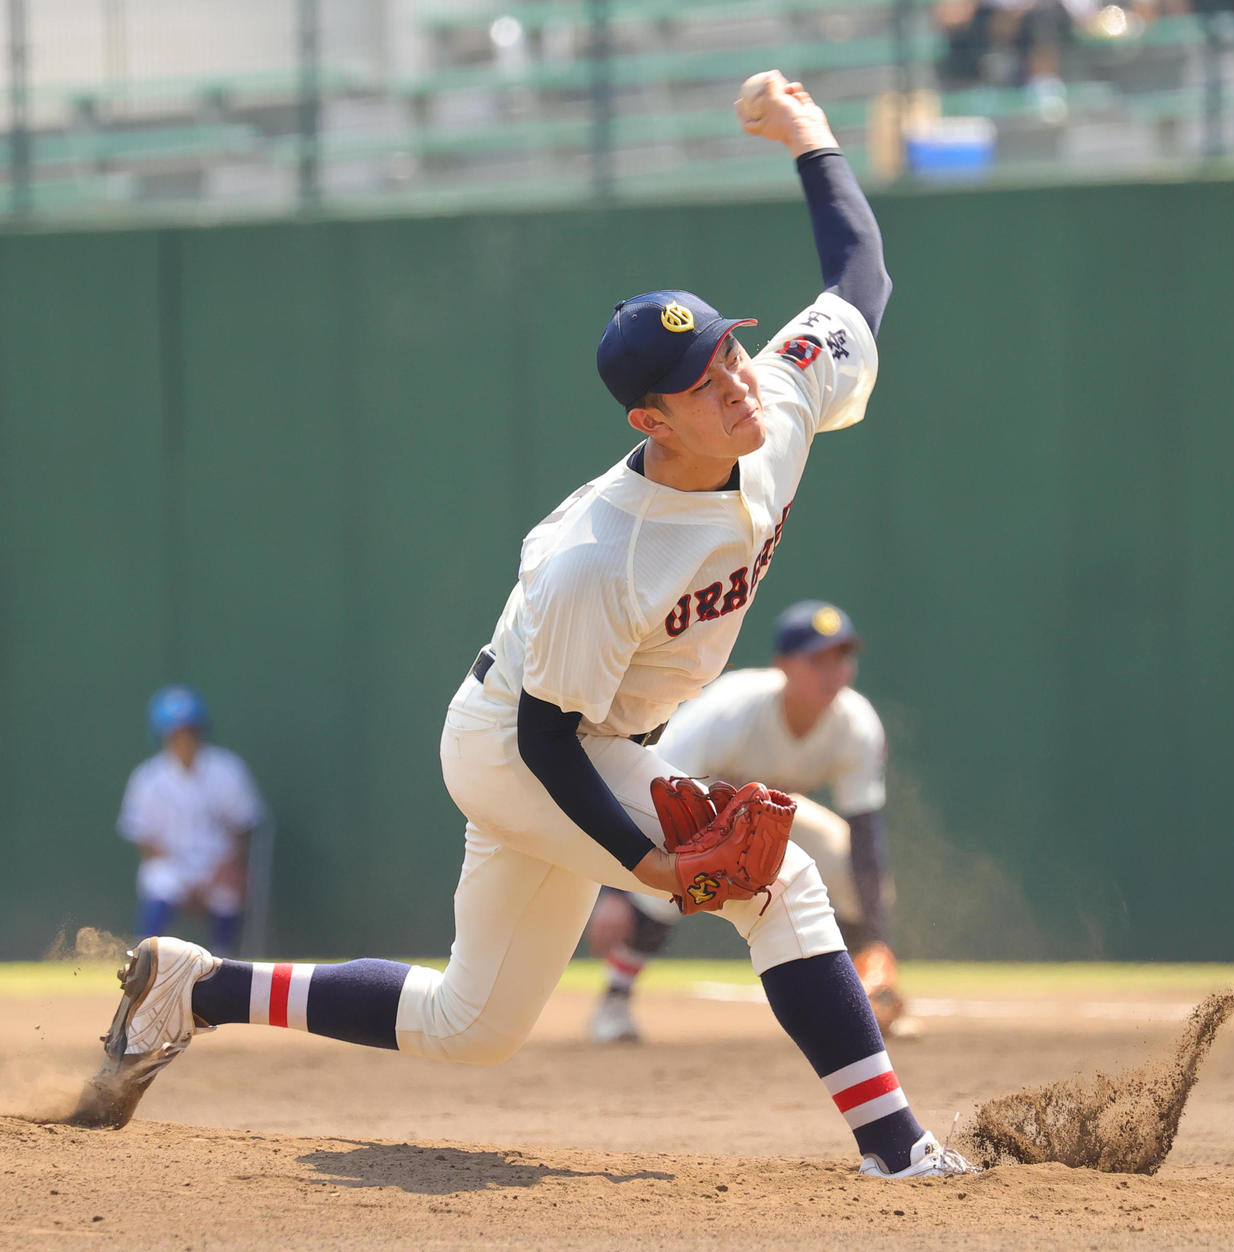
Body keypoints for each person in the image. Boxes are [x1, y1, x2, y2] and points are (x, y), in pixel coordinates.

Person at [80, 71, 976, 1180]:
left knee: (474, 1023)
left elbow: (859, 277)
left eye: (729, 350)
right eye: (702, 382)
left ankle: (196, 987)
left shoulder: (777, 401)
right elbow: (547, 741)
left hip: (591, 737)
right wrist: (648, 862)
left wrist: (809, 133)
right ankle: (897, 1148)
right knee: (776, 882)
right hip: (520, 743)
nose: (735, 382)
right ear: (650, 418)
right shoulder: (599, 555)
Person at [586, 599, 909, 1045]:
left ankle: (868, 994)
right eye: (817, 659)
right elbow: (646, 786)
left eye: (842, 657)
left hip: (774, 808)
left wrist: (877, 938)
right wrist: (615, 892)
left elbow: (865, 831)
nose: (832, 672)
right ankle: (615, 999)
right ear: (783, 666)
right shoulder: (731, 712)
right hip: (692, 801)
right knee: (668, 882)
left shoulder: (856, 724)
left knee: (843, 860)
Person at [117, 685, 266, 958]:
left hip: (217, 863)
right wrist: (187, 882)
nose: (184, 739)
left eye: (190, 731)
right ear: (163, 736)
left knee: (228, 890)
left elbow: (243, 828)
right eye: (176, 733)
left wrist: (226, 867)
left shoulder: (227, 769)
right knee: (158, 880)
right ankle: (146, 959)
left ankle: (223, 960)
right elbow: (145, 841)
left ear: (201, 731)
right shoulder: (148, 777)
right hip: (172, 865)